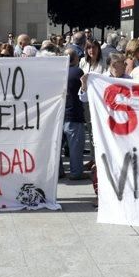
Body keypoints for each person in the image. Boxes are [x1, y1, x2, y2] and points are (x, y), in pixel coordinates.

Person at [61, 48, 88, 180]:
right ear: (76, 59)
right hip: (74, 114)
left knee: (56, 148)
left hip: (59, 116)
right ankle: (76, 172)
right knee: (75, 148)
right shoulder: (78, 72)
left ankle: (59, 172)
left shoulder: (58, 71)